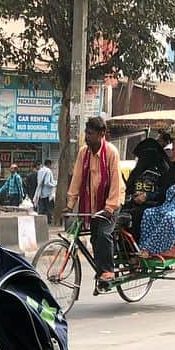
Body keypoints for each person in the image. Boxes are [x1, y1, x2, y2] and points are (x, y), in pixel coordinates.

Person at [66, 115, 124, 288]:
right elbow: (76, 179)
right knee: (93, 238)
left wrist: (110, 207)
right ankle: (101, 274)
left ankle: (108, 271)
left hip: (112, 202)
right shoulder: (83, 153)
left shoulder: (111, 152)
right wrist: (69, 204)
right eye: (86, 132)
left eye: (90, 133)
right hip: (93, 203)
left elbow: (116, 182)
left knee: (103, 234)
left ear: (101, 134)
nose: (87, 136)